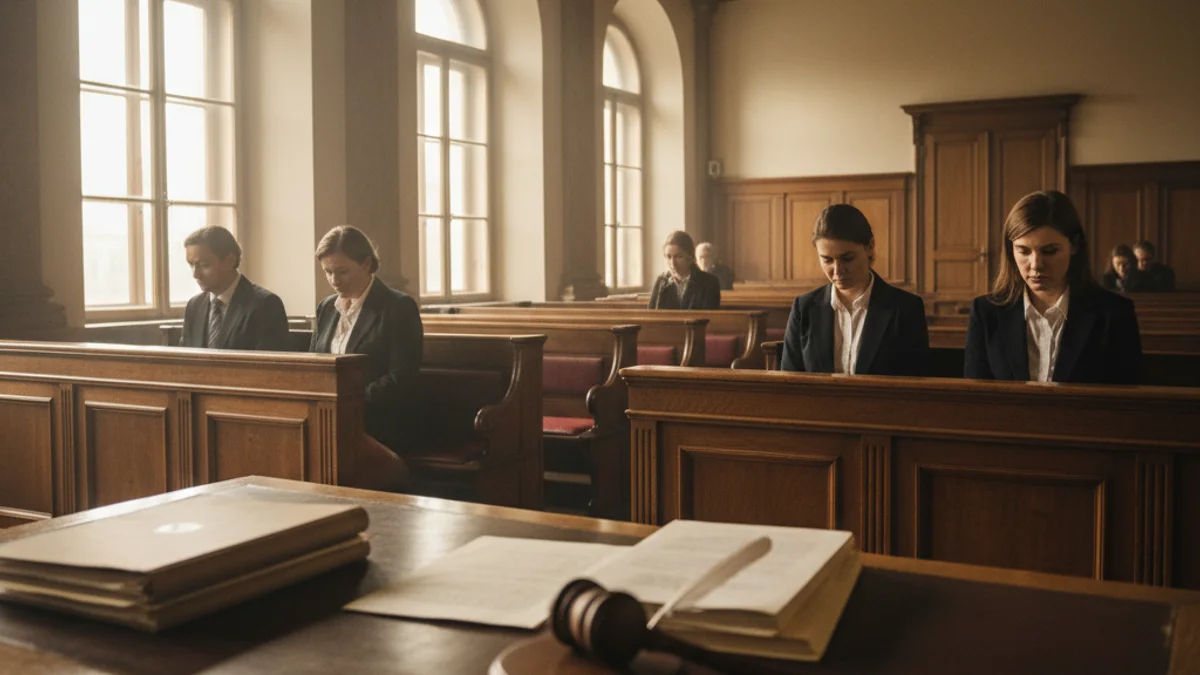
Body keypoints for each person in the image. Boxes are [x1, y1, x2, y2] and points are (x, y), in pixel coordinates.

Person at [965, 191, 1142, 384]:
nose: (1035, 265)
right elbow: (976, 399)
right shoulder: (986, 311)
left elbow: (1127, 402)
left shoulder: (1114, 313)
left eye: (1049, 251)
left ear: (1074, 246)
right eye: (1023, 251)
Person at [310, 225, 423, 491]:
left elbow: (401, 379)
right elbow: (315, 364)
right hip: (332, 418)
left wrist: (349, 405)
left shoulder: (397, 307)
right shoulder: (327, 307)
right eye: (328, 272)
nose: (335, 280)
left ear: (367, 264)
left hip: (378, 419)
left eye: (342, 271)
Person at [780, 204, 929, 376]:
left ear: (870, 247)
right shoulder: (803, 307)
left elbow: (915, 386)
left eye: (847, 258)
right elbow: (790, 381)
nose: (837, 271)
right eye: (827, 260)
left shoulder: (906, 308)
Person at [180, 226, 290, 351]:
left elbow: (269, 366)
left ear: (229, 261)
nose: (195, 275)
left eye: (204, 265)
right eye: (191, 265)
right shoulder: (194, 305)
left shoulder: (265, 304)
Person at [648, 231, 722, 310]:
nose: (673, 263)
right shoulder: (661, 281)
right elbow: (651, 314)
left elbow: (710, 317)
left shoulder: (709, 282)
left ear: (690, 258)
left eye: (679, 256)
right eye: (668, 257)